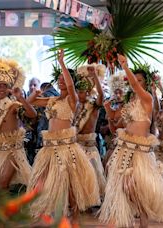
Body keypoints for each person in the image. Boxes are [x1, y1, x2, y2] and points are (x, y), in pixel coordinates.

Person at [99, 54, 163, 228]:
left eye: (140, 80)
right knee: (125, 189)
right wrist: (107, 110)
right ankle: (131, 221)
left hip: (140, 152)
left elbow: (133, 84)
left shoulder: (147, 100)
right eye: (136, 80)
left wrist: (125, 66)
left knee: (137, 188)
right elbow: (115, 125)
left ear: (145, 83)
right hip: (124, 149)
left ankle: (144, 223)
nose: (136, 82)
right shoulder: (129, 103)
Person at [27, 50, 100, 222]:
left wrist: (62, 63)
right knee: (44, 182)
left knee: (72, 185)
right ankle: (54, 219)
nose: (61, 81)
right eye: (58, 78)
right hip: (49, 148)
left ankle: (74, 220)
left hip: (67, 147)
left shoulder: (72, 100)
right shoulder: (52, 101)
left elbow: (70, 87)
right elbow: (30, 102)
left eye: (63, 78)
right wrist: (33, 94)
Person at [0, 58, 36, 189]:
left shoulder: (14, 105)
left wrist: (20, 98)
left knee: (2, 184)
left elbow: (32, 114)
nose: (1, 88)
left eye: (5, 85)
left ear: (10, 88)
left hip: (12, 151)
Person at [73, 63, 107, 197]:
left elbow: (101, 95)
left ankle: (92, 201)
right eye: (77, 91)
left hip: (89, 146)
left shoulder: (93, 105)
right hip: (76, 145)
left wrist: (94, 76)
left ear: (87, 92)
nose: (78, 94)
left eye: (81, 92)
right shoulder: (73, 106)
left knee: (92, 176)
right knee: (77, 176)